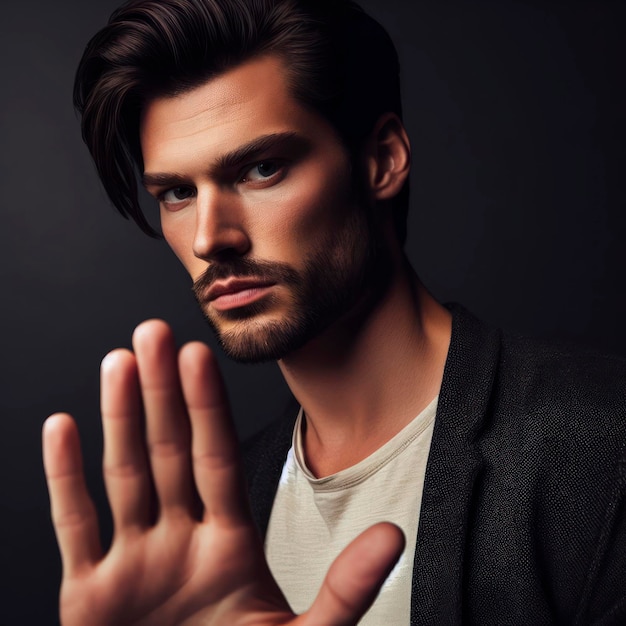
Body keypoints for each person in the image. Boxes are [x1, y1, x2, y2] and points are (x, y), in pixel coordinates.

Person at [42, 0, 626, 624]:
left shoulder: (601, 451)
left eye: (262, 168)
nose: (211, 237)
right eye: (178, 193)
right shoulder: (220, 513)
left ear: (381, 161)